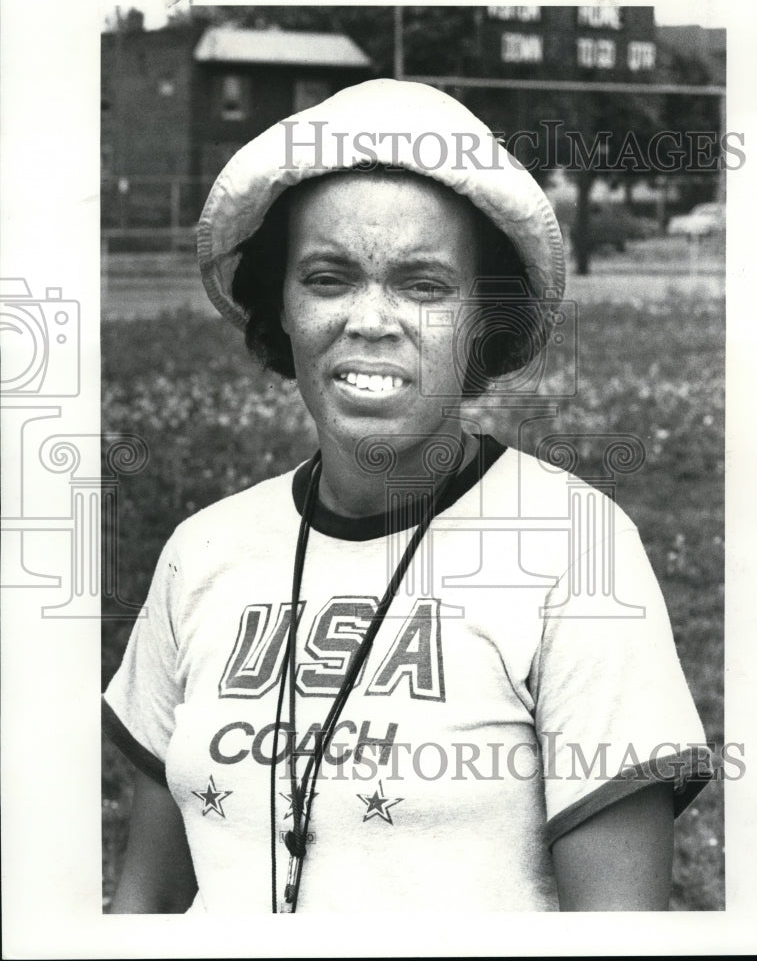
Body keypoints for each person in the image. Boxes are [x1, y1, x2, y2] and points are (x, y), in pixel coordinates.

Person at [102, 79, 712, 913]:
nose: (371, 320)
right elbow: (145, 910)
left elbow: (618, 931)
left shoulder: (576, 551)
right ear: (278, 303)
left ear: (481, 320)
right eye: (328, 278)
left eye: (424, 286)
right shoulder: (200, 552)